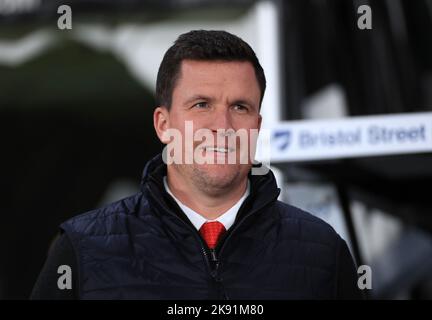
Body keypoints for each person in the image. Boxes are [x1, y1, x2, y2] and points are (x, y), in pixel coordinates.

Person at [31, 30, 362, 299]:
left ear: (257, 127)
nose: (223, 125)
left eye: (240, 107)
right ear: (163, 125)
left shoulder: (323, 253)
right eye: (201, 104)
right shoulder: (81, 249)